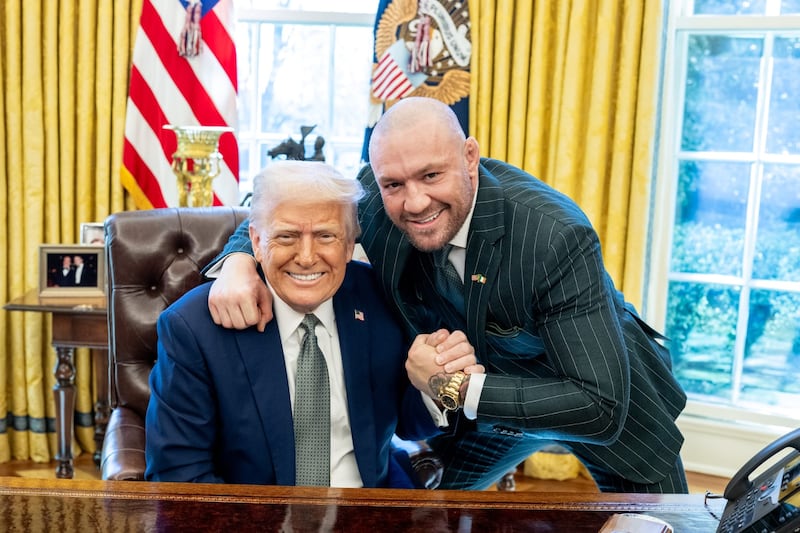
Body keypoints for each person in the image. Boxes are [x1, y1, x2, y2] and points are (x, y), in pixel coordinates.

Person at [205, 97, 689, 493]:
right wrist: (238, 262)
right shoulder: (378, 192)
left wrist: (451, 387)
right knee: (423, 511)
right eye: (395, 183)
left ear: (470, 158)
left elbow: (600, 407)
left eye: (432, 176)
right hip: (487, 417)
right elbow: (292, 208)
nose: (414, 201)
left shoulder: (553, 235)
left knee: (664, 526)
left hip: (606, 403)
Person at [145, 160, 482, 487]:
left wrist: (433, 386)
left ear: (349, 245)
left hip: (365, 507)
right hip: (253, 515)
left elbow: (407, 423)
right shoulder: (193, 328)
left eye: (325, 236)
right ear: (257, 242)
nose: (306, 257)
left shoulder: (383, 300)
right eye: (287, 236)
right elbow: (179, 476)